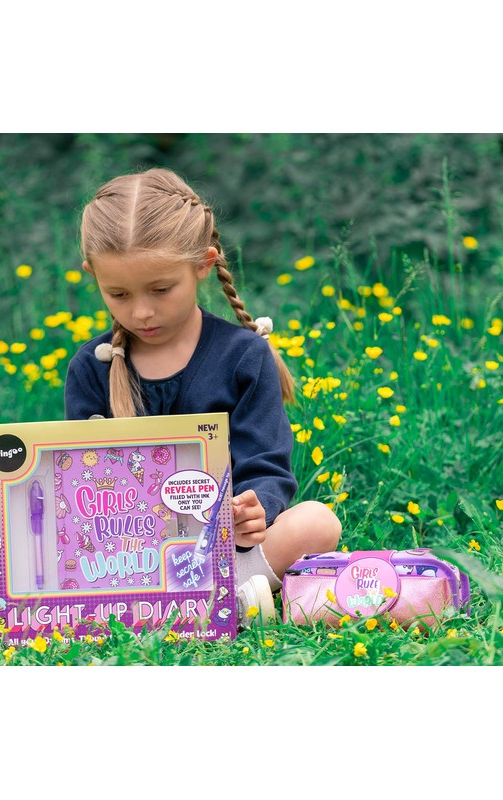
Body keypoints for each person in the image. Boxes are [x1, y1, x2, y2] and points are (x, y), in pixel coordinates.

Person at [66, 167, 342, 624]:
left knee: (317, 522)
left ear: (203, 264)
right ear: (92, 274)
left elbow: (266, 465)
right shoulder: (90, 367)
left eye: (161, 289)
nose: (142, 311)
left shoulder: (243, 356)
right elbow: (78, 481)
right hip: (124, 555)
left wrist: (256, 509)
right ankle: (214, 601)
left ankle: (211, 595)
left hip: (224, 549)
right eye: (118, 293)